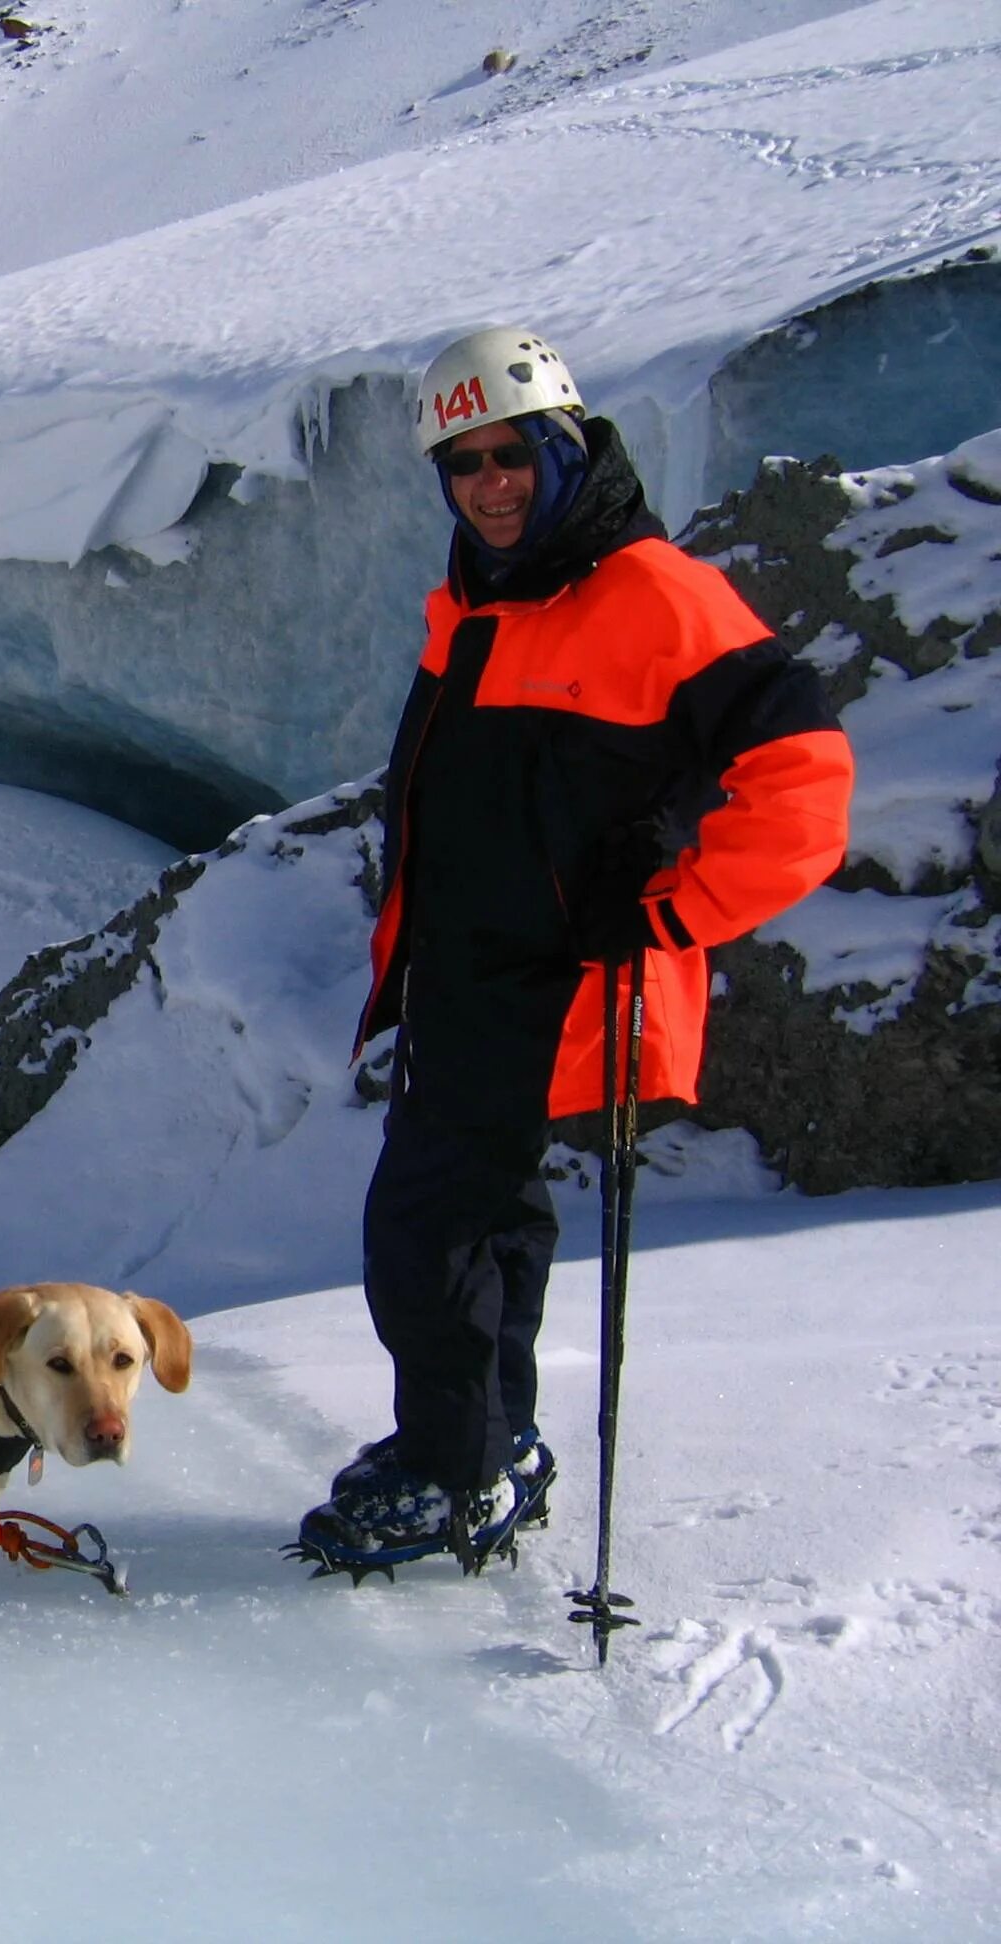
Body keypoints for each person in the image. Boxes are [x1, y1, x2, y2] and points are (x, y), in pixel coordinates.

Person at [294, 326, 853, 1575]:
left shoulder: (656, 594)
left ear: (566, 446)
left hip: (551, 988)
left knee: (425, 1231)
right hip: (469, 976)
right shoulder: (481, 600)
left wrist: (671, 911)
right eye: (462, 463)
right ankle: (491, 1442)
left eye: (510, 455)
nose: (488, 483)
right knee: (489, 1224)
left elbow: (806, 783)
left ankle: (459, 1467)